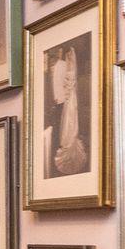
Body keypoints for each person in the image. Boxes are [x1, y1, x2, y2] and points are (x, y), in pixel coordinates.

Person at [45, 45, 89, 177]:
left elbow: (67, 85)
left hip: (66, 103)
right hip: (59, 104)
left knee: (68, 128)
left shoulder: (64, 66)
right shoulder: (56, 67)